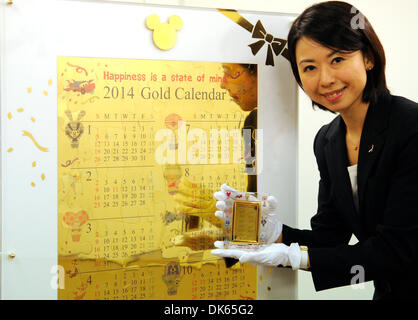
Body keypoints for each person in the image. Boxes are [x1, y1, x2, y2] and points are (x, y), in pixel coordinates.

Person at [211, 1, 418, 300]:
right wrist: (272, 233)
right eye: (309, 67)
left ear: (368, 58)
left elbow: (396, 249)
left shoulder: (410, 127)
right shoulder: (328, 141)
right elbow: (328, 237)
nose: (325, 78)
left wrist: (296, 258)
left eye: (337, 59)